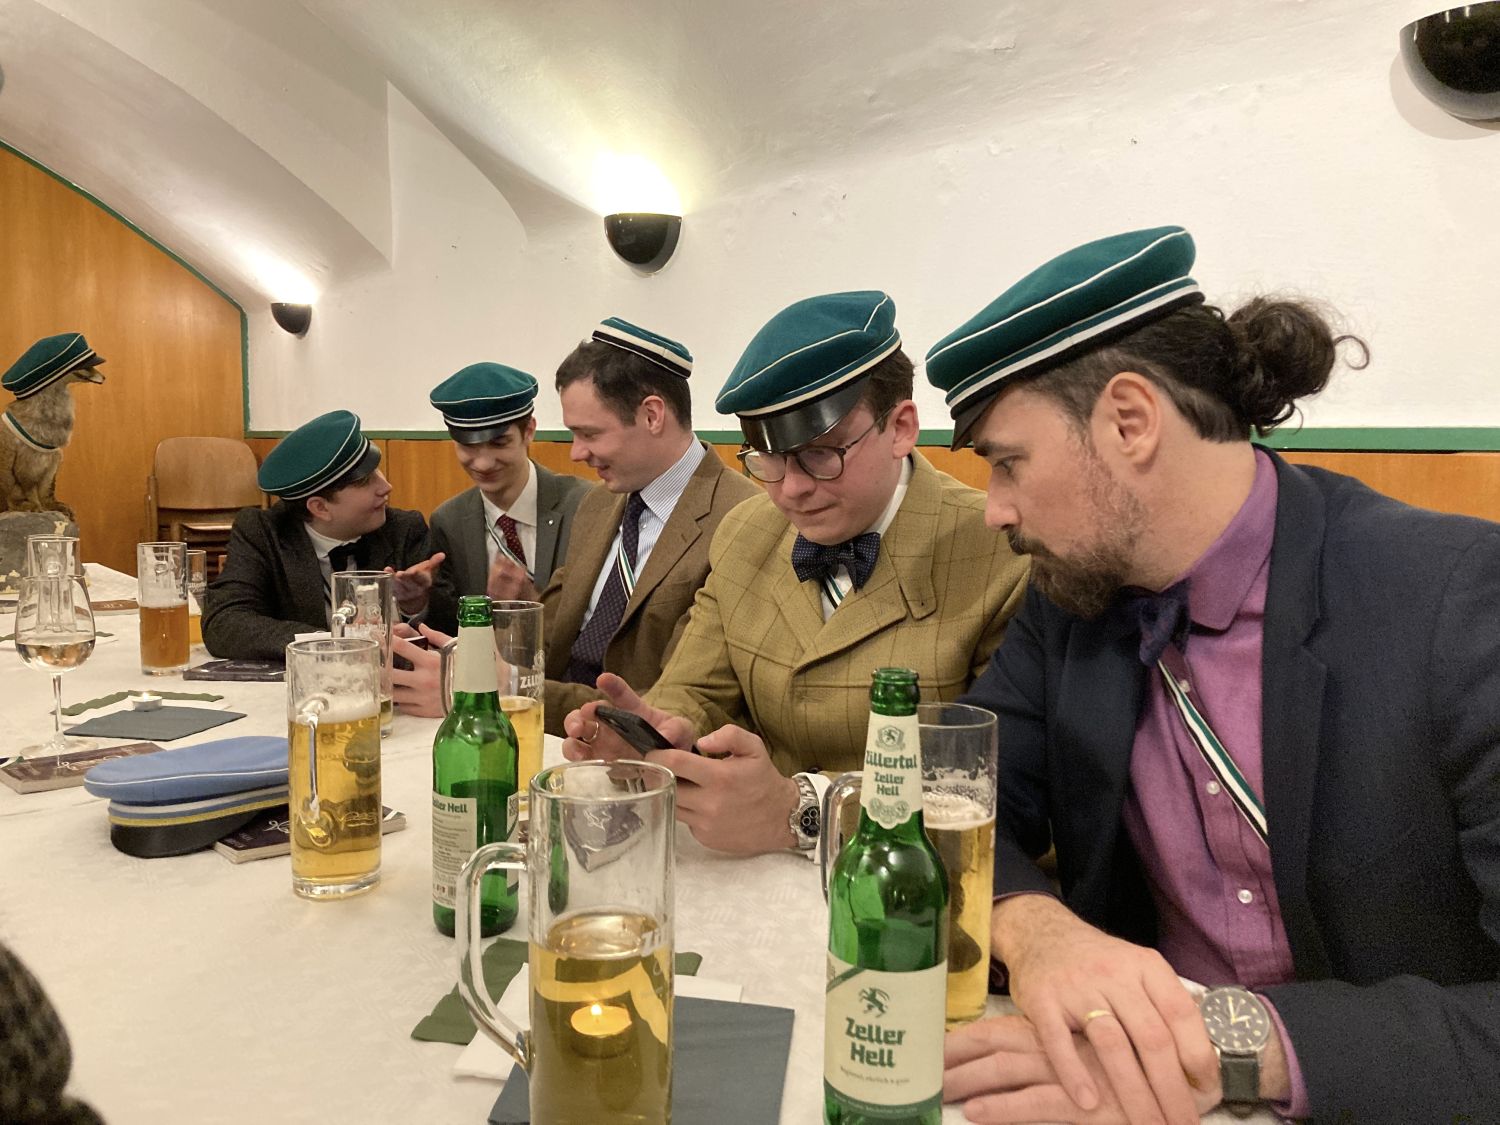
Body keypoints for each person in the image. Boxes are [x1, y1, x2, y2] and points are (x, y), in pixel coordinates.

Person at [927, 226, 1500, 1124]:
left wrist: (1229, 1046)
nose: (995, 509)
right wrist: (1036, 929)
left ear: (1130, 420)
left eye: (1008, 463)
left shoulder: (1455, 600)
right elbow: (940, 791)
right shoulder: (1068, 602)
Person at [562, 291, 1029, 857]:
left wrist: (803, 808)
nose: (790, 490)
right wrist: (665, 729)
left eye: (820, 454)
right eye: (768, 459)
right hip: (753, 867)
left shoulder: (1000, 554)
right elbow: (698, 686)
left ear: (902, 427)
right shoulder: (745, 532)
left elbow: (1000, 788)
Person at [390, 318, 758, 726]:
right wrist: (446, 654)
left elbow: (675, 703)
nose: (576, 453)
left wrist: (491, 689)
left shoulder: (743, 522)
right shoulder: (600, 503)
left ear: (652, 415)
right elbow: (548, 642)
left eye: (590, 434)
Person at [203, 410, 440, 660]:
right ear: (320, 507)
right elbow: (224, 624)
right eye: (365, 481)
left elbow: (446, 626)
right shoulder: (264, 533)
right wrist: (331, 643)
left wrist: (414, 607)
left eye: (377, 471)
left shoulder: (404, 529)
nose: (386, 487)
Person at [422, 362, 587, 634]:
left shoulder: (584, 506)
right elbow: (450, 628)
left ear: (529, 431)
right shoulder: (449, 522)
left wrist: (530, 603)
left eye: (499, 443)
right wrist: (415, 604)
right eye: (468, 446)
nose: (483, 463)